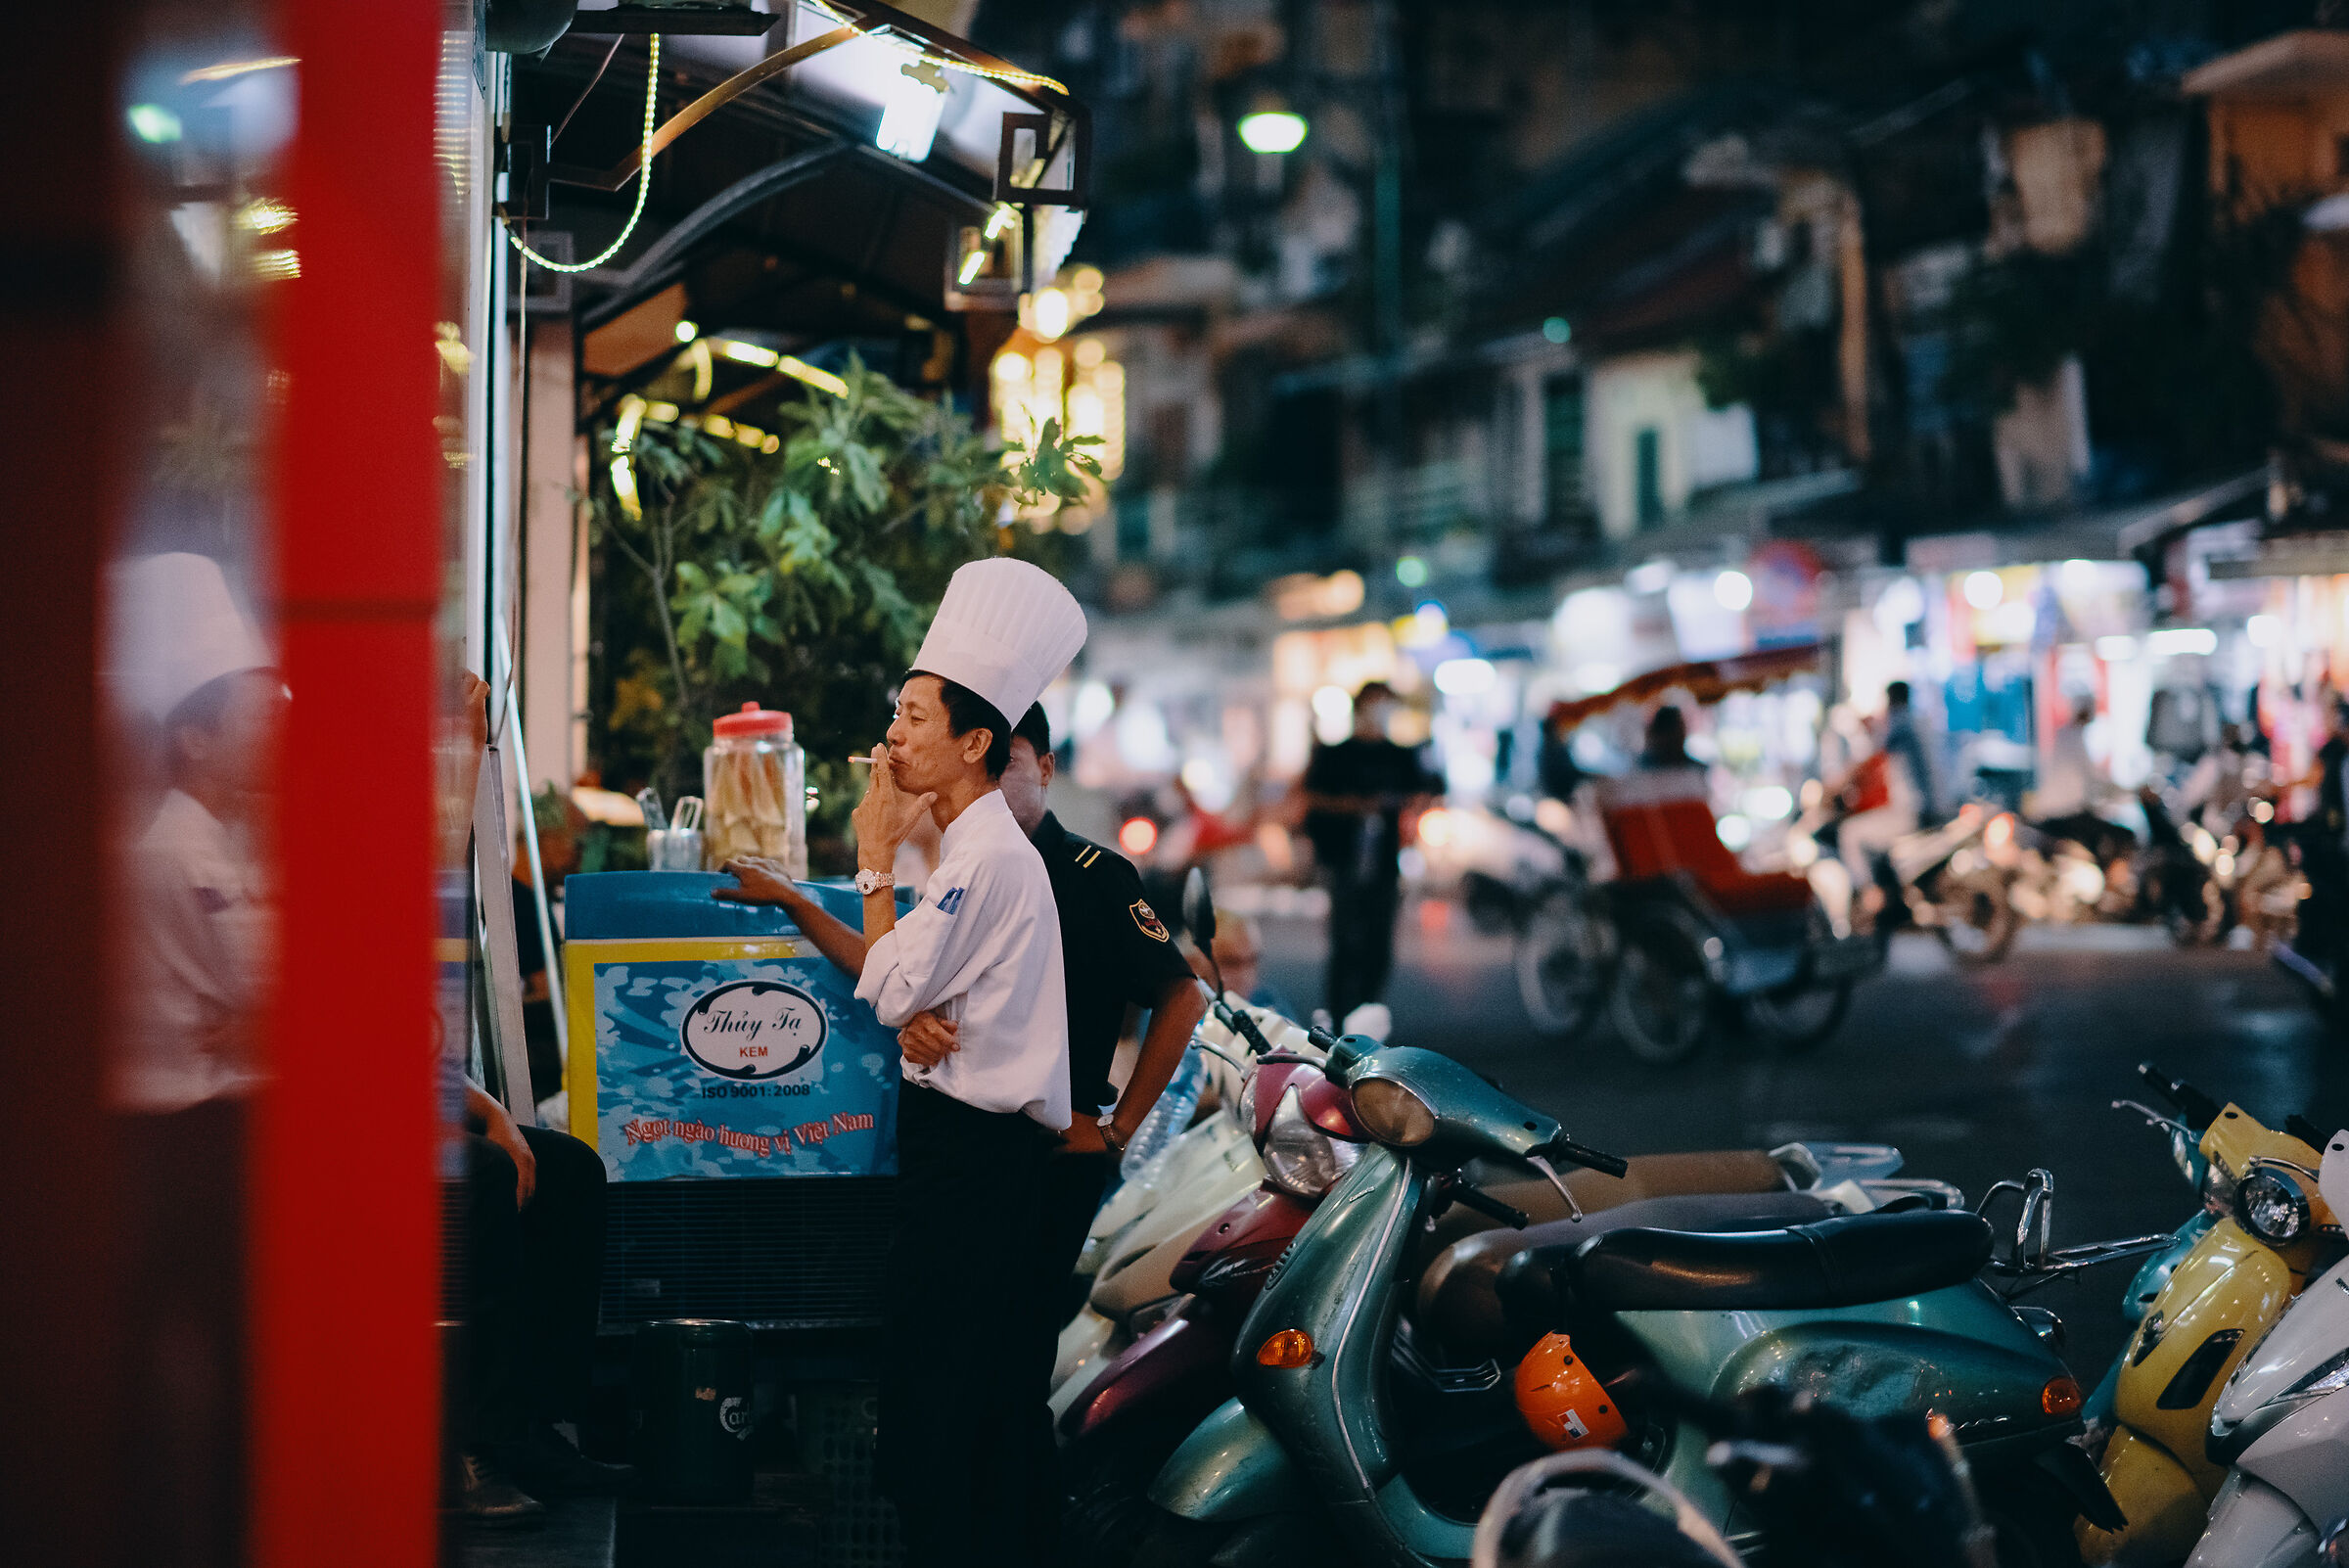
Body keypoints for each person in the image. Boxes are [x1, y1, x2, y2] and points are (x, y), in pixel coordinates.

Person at [712, 557, 1087, 1568]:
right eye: (899, 712)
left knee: (943, 1392)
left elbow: (892, 984)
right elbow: (903, 981)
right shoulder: (967, 850)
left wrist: (874, 854)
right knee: (967, 1391)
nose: (895, 734)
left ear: (978, 743)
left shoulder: (990, 856)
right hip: (968, 1153)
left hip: (975, 1160)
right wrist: (853, 938)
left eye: (917, 717)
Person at [898, 703, 1207, 1489]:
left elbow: (1181, 995)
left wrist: (1121, 1127)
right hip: (959, 1145)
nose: (993, 784)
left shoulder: (1094, 878)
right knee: (945, 1374)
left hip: (1049, 1155)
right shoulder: (954, 868)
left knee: (1006, 1375)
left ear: (1046, 769)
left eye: (1010, 764)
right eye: (982, 766)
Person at [1301, 681, 1445, 1022]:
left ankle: (1368, 1013)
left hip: (1384, 860)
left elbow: (1428, 790)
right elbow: (1312, 796)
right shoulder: (1335, 755)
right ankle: (1339, 1018)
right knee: (1345, 940)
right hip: (1343, 858)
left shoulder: (1400, 755)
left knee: (1379, 943)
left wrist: (1406, 806)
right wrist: (1354, 806)